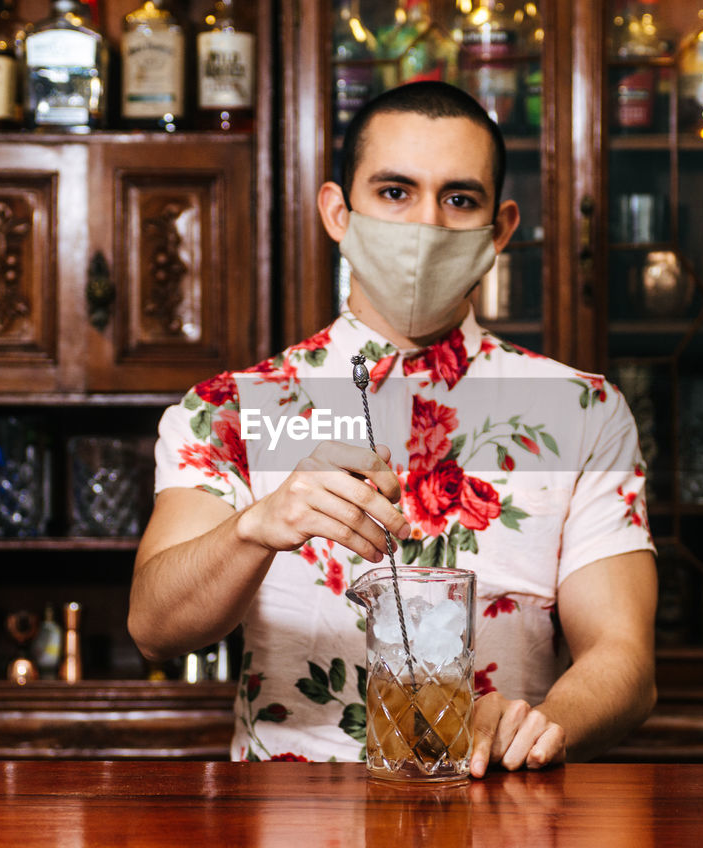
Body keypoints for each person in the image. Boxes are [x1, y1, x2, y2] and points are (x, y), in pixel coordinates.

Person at [129, 81, 657, 775]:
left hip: (493, 808)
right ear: (338, 213)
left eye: (458, 199)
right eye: (395, 192)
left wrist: (540, 725)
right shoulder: (229, 408)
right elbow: (155, 628)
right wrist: (255, 526)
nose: (426, 226)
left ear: (499, 231)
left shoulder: (581, 410)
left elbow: (624, 659)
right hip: (288, 820)